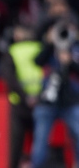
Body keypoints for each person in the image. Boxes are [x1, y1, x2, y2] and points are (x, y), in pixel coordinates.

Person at [31, 20, 79, 168]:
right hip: (47, 102)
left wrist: (69, 61)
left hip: (70, 102)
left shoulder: (74, 49)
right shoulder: (48, 49)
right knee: (40, 139)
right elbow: (38, 61)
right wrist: (51, 43)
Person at [0, 24, 43, 168]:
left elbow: (9, 78)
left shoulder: (12, 51)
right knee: (41, 144)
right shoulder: (40, 49)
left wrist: (25, 97)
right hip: (41, 102)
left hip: (19, 104)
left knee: (16, 146)